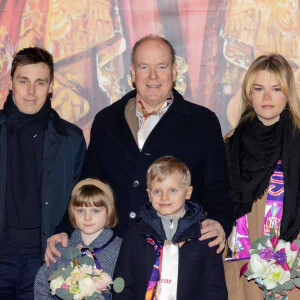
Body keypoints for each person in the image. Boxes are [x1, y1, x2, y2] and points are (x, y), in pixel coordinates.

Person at [46, 34, 234, 265]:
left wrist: (220, 222)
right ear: (133, 74)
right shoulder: (106, 121)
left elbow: (216, 188)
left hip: (178, 256)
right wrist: (65, 228)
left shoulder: (203, 123)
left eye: (161, 67)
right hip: (113, 257)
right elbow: (89, 185)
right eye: (144, 67)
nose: (153, 76)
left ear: (174, 72)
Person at [0, 47, 86, 300]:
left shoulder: (71, 139)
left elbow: (79, 199)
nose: (31, 91)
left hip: (46, 260)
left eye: (40, 82)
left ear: (50, 86)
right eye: (23, 81)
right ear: (11, 82)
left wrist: (62, 233)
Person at [224, 54, 300, 299]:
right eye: (259, 88)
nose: (267, 97)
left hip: (292, 259)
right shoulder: (229, 145)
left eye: (276, 88)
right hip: (241, 263)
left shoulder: (298, 143)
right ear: (249, 94)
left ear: (288, 93)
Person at [112, 156, 227, 299]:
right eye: (157, 191)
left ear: (188, 192)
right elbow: (123, 287)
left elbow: (214, 290)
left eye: (172, 190)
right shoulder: (134, 237)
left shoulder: (205, 236)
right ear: (149, 194)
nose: (164, 197)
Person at [34, 178, 122, 299]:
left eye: (95, 210)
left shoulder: (120, 250)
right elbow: (41, 285)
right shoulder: (61, 250)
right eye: (80, 210)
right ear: (72, 212)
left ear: (109, 211)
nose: (87, 217)